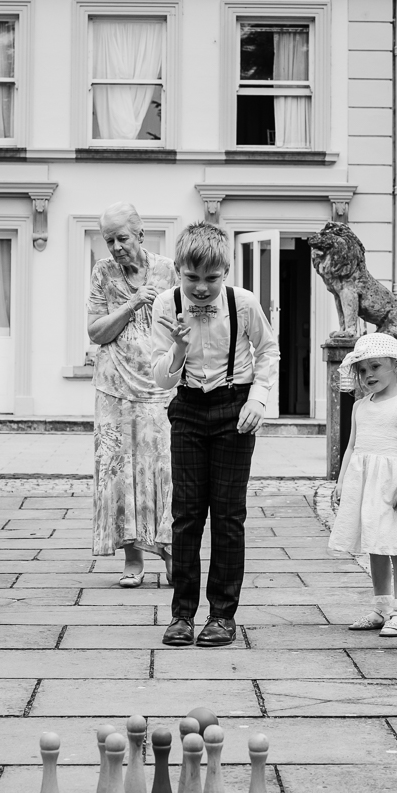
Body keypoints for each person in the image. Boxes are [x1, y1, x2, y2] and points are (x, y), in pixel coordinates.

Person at [148, 221, 280, 648]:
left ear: (225, 271)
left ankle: (222, 615)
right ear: (178, 271)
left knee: (227, 516)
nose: (201, 288)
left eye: (211, 278)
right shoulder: (165, 306)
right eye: (192, 278)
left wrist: (257, 400)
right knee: (186, 515)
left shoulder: (242, 303)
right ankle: (182, 615)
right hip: (187, 407)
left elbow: (268, 350)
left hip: (233, 408)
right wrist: (180, 349)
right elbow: (160, 378)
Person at [86, 202, 179, 588]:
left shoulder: (169, 269)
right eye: (109, 240)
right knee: (119, 472)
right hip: (114, 388)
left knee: (165, 471)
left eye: (122, 238)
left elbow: (184, 321)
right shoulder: (102, 273)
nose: (116, 247)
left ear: (140, 234)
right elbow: (96, 332)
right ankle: (132, 560)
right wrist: (131, 303)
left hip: (159, 386)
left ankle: (172, 552)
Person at [328, 333, 397, 638]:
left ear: (396, 365)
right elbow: (351, 446)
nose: (368, 375)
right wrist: (342, 480)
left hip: (394, 484)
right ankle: (381, 606)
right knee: (375, 545)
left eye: (375, 366)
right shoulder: (360, 406)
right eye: (362, 370)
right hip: (366, 484)